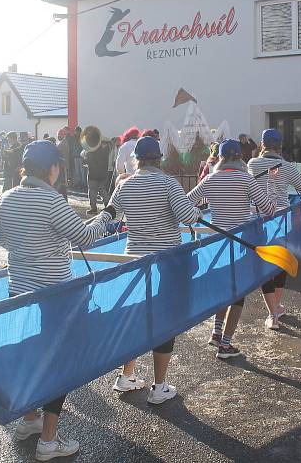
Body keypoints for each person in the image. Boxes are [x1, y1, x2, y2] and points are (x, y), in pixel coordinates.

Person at [0, 139, 113, 461]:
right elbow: (86, 237)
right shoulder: (51, 201)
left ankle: (30, 418)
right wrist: (107, 215)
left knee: (31, 354)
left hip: (19, 291)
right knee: (58, 362)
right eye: (58, 166)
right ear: (52, 169)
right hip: (55, 294)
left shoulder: (6, 199)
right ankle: (48, 441)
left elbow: (2, 239)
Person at [109, 136, 203, 404]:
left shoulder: (125, 186)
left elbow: (112, 216)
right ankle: (159, 387)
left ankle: (126, 376)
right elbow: (188, 216)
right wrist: (196, 213)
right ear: (159, 159)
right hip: (166, 262)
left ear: (136, 159)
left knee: (135, 316)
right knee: (164, 322)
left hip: (134, 262)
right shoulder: (168, 183)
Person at [187, 139, 276, 359]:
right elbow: (269, 210)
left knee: (222, 289)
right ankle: (225, 345)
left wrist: (197, 216)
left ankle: (217, 333)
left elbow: (187, 202)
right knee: (237, 293)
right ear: (240, 158)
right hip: (239, 246)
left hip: (216, 245)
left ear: (221, 158)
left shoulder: (210, 179)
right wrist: (271, 185)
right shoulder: (246, 179)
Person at [247, 129, 301, 330]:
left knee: (265, 267)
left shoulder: (252, 164)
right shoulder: (288, 167)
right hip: (282, 221)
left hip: (260, 221)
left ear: (262, 145)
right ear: (279, 146)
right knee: (280, 263)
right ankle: (276, 309)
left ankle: (273, 313)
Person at [85, 137, 113, 215]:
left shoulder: (93, 150)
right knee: (102, 190)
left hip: (93, 174)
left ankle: (93, 208)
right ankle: (108, 206)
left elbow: (87, 159)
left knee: (92, 191)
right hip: (103, 173)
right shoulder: (107, 150)